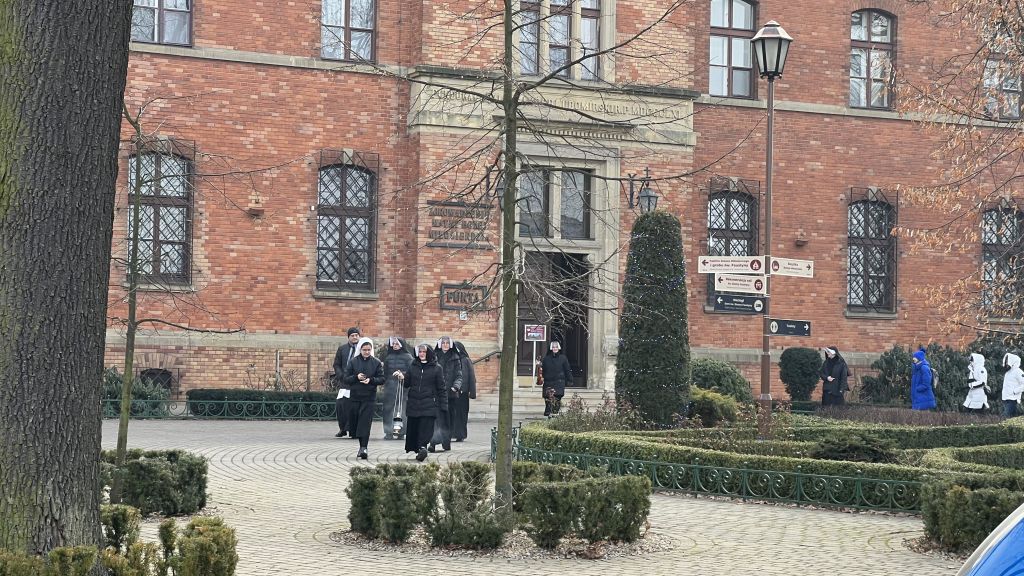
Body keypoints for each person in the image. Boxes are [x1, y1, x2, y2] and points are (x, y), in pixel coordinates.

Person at [342, 337, 385, 459]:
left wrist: (370, 380)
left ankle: (364, 447)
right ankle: (361, 446)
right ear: (360, 350)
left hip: (369, 397)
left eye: (368, 350)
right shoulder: (353, 362)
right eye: (364, 350)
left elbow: (382, 379)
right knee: (356, 423)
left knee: (365, 423)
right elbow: (346, 378)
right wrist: (356, 377)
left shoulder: (376, 362)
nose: (366, 352)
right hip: (355, 397)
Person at [403, 343, 446, 462]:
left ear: (429, 353)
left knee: (425, 428)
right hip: (414, 403)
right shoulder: (413, 366)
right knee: (415, 428)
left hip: (429, 403)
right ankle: (419, 450)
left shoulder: (437, 368)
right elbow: (407, 384)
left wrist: (443, 405)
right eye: (420, 352)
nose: (421, 354)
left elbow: (441, 388)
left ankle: (423, 447)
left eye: (424, 352)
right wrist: (403, 377)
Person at [429, 336, 463, 452]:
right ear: (440, 344)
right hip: (437, 394)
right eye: (443, 343)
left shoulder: (455, 357)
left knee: (449, 419)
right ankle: (433, 442)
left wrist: (456, 386)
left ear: (450, 345)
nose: (445, 345)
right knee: (436, 420)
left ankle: (446, 441)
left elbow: (459, 375)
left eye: (447, 343)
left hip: (450, 395)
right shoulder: (434, 357)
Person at [380, 336, 413, 440]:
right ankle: (388, 431)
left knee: (401, 409)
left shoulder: (408, 357)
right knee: (388, 409)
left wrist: (402, 374)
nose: (394, 346)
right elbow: (385, 374)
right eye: (393, 344)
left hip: (403, 387)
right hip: (390, 387)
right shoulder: (388, 357)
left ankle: (401, 432)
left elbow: (412, 372)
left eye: (397, 344)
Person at [331, 327, 361, 438]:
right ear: (348, 337)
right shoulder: (342, 349)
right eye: (352, 335)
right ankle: (342, 428)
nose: (355, 337)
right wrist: (341, 375)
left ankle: (353, 429)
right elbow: (337, 364)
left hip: (357, 382)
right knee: (341, 405)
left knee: (354, 406)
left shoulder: (363, 349)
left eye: (356, 335)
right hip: (344, 381)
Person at [452, 341, 476, 442]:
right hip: (452, 392)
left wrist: (472, 392)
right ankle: (452, 433)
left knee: (461, 415)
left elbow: (471, 377)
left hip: (463, 393)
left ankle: (460, 434)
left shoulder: (466, 360)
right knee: (453, 414)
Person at [541, 341, 572, 417]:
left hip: (559, 382)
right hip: (548, 382)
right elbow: (543, 371)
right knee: (548, 400)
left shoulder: (563, 358)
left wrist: (570, 379)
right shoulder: (546, 359)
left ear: (559, 348)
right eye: (553, 347)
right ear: (551, 348)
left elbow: (567, 369)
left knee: (557, 399)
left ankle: (555, 414)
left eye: (556, 347)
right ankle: (548, 415)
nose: (555, 348)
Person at [911, 346, 937, 411]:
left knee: (924, 414)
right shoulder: (917, 368)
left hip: (923, 394)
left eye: (915, 357)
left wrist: (918, 388)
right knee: (919, 414)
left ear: (919, 358)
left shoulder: (924, 368)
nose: (913, 359)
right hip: (919, 395)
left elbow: (926, 383)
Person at [1002, 352, 1024, 418]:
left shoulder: (1018, 371)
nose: (1006, 363)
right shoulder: (1008, 372)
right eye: (1006, 361)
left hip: (1013, 399)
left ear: (1012, 361)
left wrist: (1015, 391)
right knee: (1011, 418)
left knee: (1005, 417)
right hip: (1006, 398)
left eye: (1007, 361)